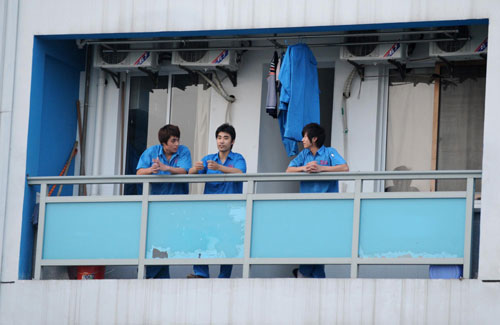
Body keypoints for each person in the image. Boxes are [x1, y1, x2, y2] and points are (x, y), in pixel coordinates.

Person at [286, 123, 349, 278]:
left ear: (314, 139)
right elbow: (289, 169)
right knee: (308, 241)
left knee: (320, 241)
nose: (302, 140)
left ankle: (304, 273)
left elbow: (344, 167)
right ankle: (311, 274)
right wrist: (304, 168)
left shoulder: (329, 152)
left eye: (305, 136)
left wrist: (321, 168)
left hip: (326, 207)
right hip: (307, 207)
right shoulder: (304, 155)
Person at [187, 123, 247, 278]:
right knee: (201, 239)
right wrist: (196, 168)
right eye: (219, 138)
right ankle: (201, 274)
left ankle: (224, 277)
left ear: (232, 142)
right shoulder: (209, 159)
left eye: (226, 138)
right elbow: (191, 173)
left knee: (228, 243)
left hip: (230, 210)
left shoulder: (238, 158)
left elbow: (240, 172)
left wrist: (220, 168)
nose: (221, 141)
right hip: (209, 209)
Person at [136, 124, 192, 279]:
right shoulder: (151, 152)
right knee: (156, 241)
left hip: (176, 206)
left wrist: (165, 168)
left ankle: (154, 276)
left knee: (166, 242)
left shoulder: (183, 151)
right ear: (163, 143)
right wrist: (151, 170)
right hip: (155, 206)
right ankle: (155, 276)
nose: (177, 144)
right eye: (173, 141)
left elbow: (185, 170)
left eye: (177, 140)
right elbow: (139, 172)